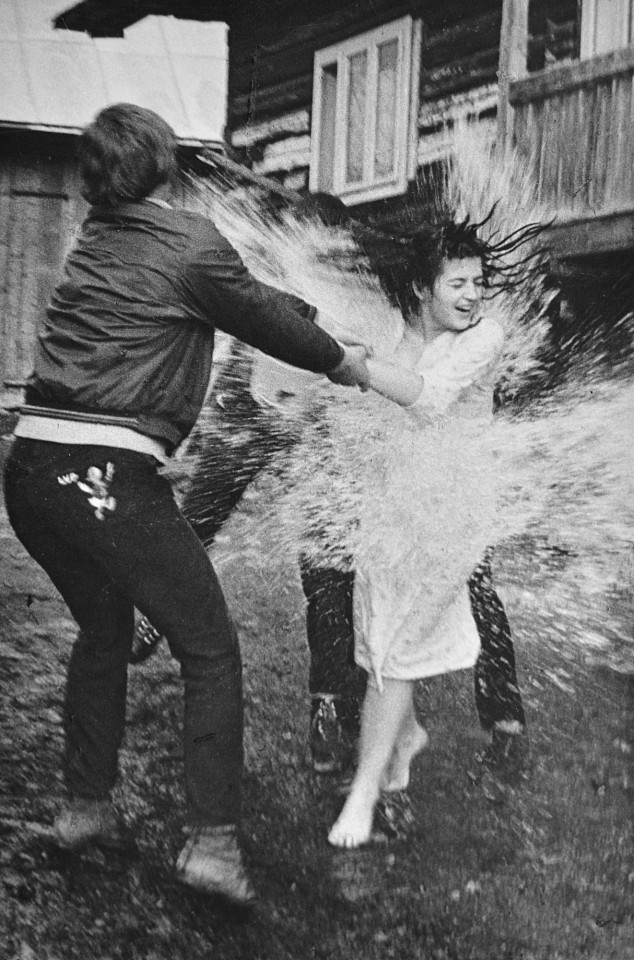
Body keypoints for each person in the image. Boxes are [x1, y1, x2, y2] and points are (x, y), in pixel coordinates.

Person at [1, 103, 371, 906]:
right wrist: (348, 360)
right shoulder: (189, 242)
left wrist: (312, 317)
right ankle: (210, 844)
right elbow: (262, 318)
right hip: (102, 476)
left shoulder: (95, 241)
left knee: (104, 631)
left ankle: (85, 809)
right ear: (166, 167)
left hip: (30, 472)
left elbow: (250, 298)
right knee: (209, 646)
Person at [130, 199, 526, 785]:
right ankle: (324, 709)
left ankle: (498, 717)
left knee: (451, 577)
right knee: (248, 532)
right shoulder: (277, 291)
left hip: (382, 452)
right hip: (282, 419)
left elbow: (403, 385)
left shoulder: (379, 302)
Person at [327, 215, 528, 848]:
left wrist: (349, 365)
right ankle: (405, 738)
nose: (473, 295)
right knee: (380, 643)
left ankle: (367, 792)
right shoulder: (393, 338)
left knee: (393, 654)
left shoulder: (484, 337)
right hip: (390, 514)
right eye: (458, 284)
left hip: (450, 521)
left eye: (479, 282)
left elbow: (429, 398)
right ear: (422, 287)